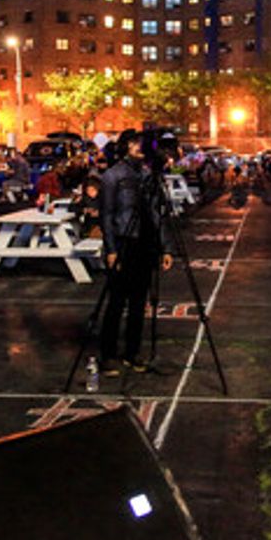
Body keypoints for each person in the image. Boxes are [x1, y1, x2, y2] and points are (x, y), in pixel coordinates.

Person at [99, 130, 174, 374]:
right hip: (123, 242)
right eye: (135, 144)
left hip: (145, 242)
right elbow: (107, 215)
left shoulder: (147, 174)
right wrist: (110, 249)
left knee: (139, 302)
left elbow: (156, 213)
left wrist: (165, 247)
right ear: (126, 146)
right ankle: (108, 354)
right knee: (117, 301)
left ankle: (132, 352)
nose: (140, 148)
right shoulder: (113, 176)